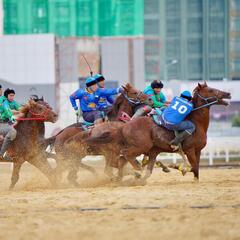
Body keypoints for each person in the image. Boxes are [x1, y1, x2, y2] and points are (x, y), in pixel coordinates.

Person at [0, 88, 21, 161]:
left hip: (7, 122)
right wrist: (12, 116)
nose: (12, 97)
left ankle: (9, 153)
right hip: (1, 123)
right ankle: (1, 154)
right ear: (6, 96)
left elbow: (20, 108)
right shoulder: (4, 102)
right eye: (10, 95)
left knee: (19, 130)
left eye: (13, 95)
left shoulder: (14, 102)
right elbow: (7, 111)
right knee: (13, 132)